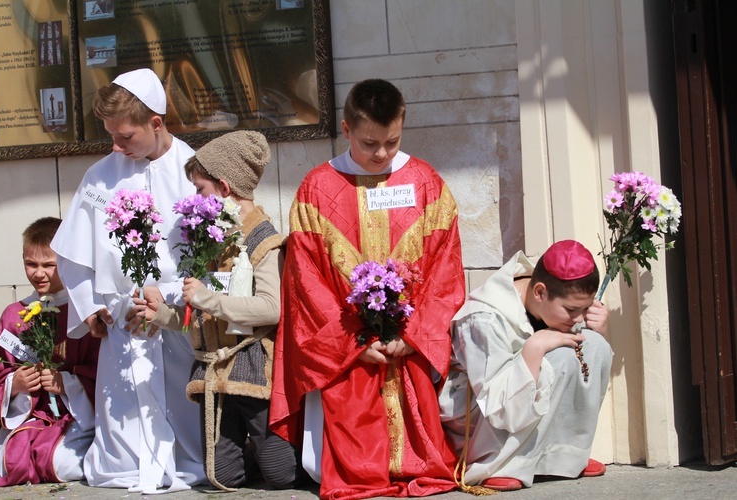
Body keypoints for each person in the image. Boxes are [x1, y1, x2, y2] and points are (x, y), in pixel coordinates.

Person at [269, 79, 465, 500]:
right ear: (346, 128)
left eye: (392, 142)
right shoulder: (315, 190)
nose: (380, 154)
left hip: (407, 347)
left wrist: (413, 337)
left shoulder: (426, 184)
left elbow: (445, 270)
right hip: (347, 351)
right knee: (353, 457)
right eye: (369, 143)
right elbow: (306, 282)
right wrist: (355, 340)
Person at [50, 68, 205, 493]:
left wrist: (180, 303)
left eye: (126, 136)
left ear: (157, 123)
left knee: (181, 411)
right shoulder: (101, 177)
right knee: (123, 419)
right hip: (124, 319)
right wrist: (92, 306)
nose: (117, 146)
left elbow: (214, 251)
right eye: (112, 136)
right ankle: (125, 464)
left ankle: (185, 461)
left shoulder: (194, 170)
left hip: (176, 320)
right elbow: (72, 250)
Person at [139, 131, 307, 491]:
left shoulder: (265, 240)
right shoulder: (212, 239)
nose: (196, 197)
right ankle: (250, 450)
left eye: (200, 189)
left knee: (282, 476)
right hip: (214, 373)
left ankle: (274, 449)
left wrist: (206, 298)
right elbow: (200, 315)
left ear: (224, 187)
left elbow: (271, 309)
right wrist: (164, 315)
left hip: (255, 372)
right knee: (222, 478)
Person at [438, 239, 613, 492]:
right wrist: (533, 350)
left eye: (585, 309)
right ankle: (506, 464)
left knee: (594, 345)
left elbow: (580, 364)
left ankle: (563, 458)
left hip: (517, 408)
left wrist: (599, 330)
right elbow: (498, 410)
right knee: (561, 358)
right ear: (540, 292)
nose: (579, 318)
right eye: (572, 310)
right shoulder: (483, 319)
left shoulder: (557, 303)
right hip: (477, 416)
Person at [0, 217, 101, 486]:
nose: (39, 273)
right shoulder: (15, 315)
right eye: (31, 264)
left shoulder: (86, 314)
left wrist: (68, 383)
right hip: (29, 416)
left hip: (76, 417)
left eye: (49, 265)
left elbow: (101, 372)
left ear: (67, 262)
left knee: (63, 464)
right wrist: (16, 384)